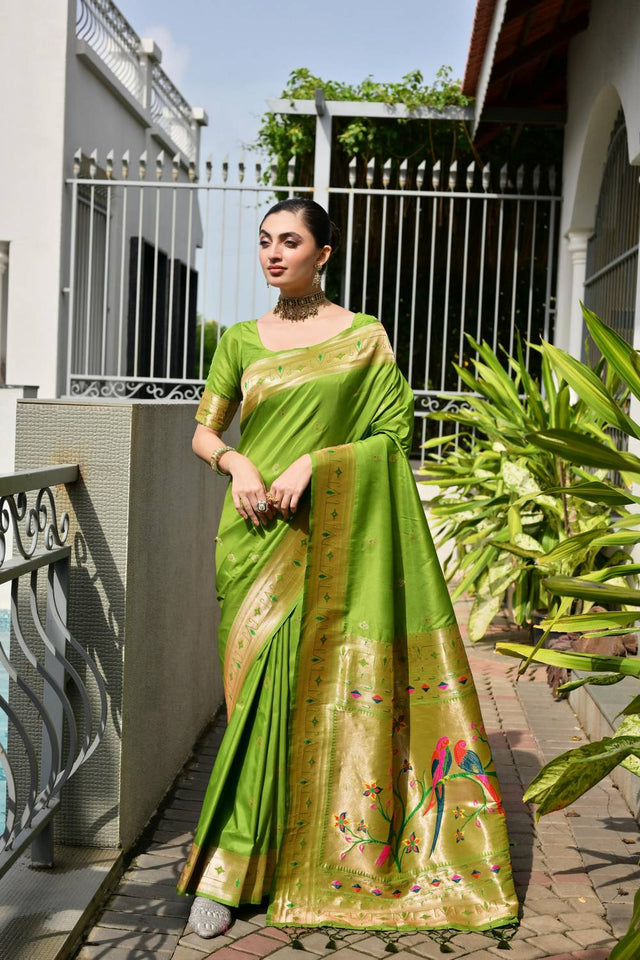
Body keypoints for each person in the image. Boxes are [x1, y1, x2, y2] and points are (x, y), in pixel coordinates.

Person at [176, 198, 518, 943]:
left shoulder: (365, 338)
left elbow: (394, 434)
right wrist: (234, 462)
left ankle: (298, 860)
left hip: (329, 535)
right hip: (253, 539)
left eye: (290, 242)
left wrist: (316, 462)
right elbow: (204, 431)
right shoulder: (239, 339)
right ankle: (237, 870)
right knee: (256, 709)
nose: (273, 254)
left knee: (316, 699)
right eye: (265, 242)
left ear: (323, 253)